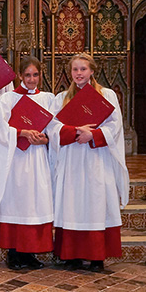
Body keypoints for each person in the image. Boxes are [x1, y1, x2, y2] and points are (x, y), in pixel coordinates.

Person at [46, 53, 128, 273]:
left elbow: (115, 125)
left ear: (92, 71)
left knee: (95, 202)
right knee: (72, 202)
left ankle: (96, 256)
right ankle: (71, 254)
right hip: (72, 157)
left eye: (83, 69)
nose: (79, 74)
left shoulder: (107, 95)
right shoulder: (62, 97)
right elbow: (52, 127)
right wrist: (74, 132)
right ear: (70, 72)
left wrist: (93, 136)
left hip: (96, 158)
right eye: (75, 70)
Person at [0, 57, 54, 271]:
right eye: (27, 75)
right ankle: (14, 252)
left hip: (38, 157)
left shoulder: (49, 99)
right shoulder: (8, 99)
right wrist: (22, 132)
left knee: (34, 203)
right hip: (16, 159)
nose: (31, 79)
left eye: (35, 75)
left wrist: (46, 138)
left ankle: (30, 252)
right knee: (17, 201)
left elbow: (55, 127)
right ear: (20, 76)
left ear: (40, 76)